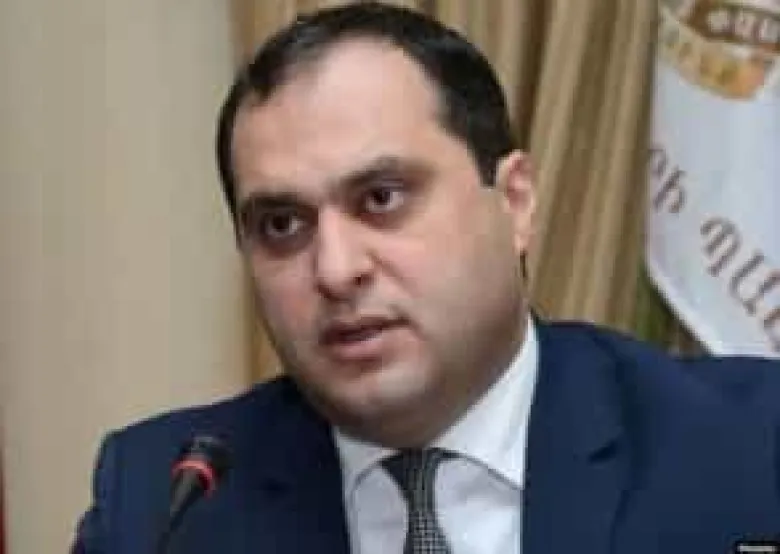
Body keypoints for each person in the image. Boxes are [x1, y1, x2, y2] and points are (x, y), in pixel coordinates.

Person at [72, 2, 780, 553]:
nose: (336, 269)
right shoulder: (166, 506)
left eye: (381, 198)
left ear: (515, 202)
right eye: (282, 225)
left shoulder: (750, 449)